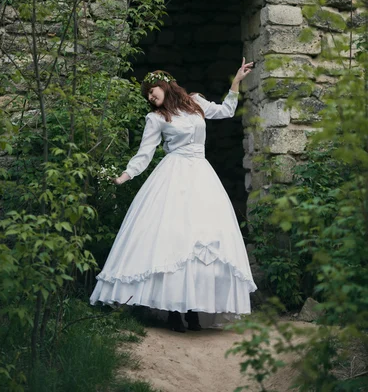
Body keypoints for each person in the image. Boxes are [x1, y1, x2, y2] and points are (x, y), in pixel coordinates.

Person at [90, 59, 257, 332]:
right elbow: (145, 154)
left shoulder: (195, 103)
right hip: (172, 176)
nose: (149, 95)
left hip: (201, 176)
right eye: (146, 94)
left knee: (201, 239)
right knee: (173, 239)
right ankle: (173, 312)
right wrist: (124, 175)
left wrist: (236, 81)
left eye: (151, 89)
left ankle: (193, 310)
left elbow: (227, 111)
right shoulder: (155, 119)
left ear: (165, 85)